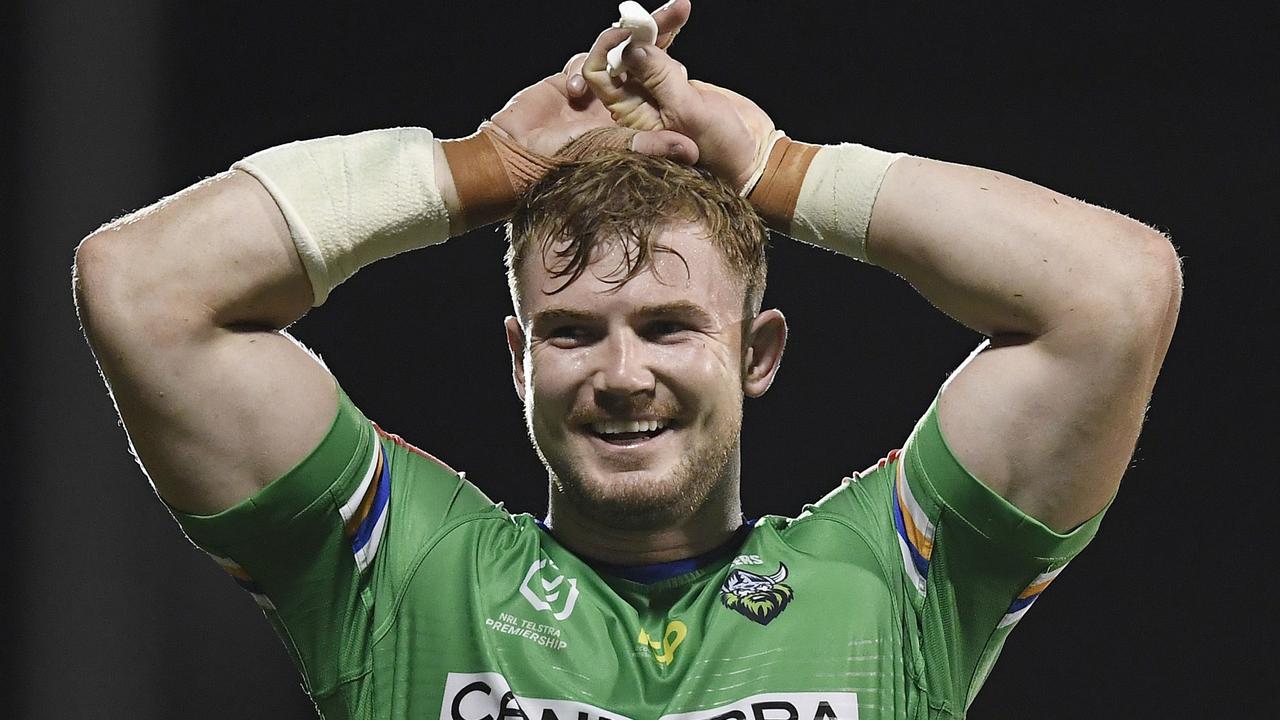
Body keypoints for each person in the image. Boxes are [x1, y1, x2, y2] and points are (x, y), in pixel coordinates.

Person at [73, 1, 1181, 717]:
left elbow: (1114, 292)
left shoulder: (895, 585)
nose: (619, 373)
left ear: (757, 352)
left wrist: (783, 170)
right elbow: (142, 288)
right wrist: (471, 170)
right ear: (517, 356)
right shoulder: (402, 579)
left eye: (666, 326)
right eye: (570, 331)